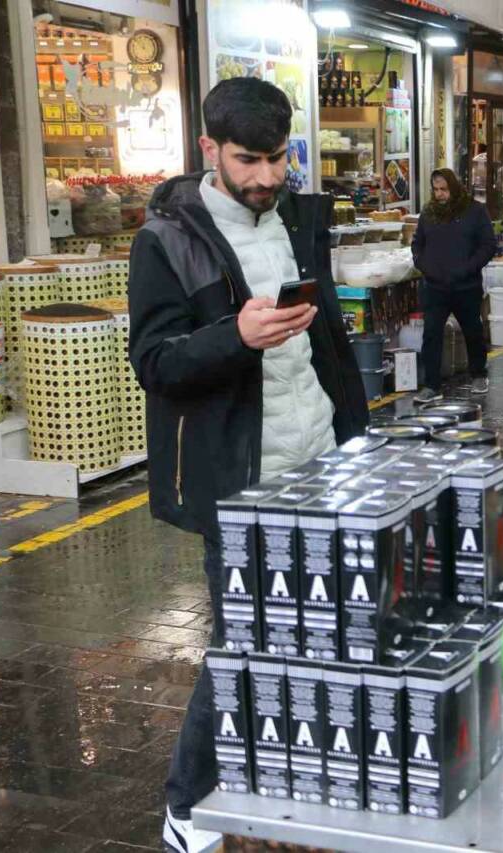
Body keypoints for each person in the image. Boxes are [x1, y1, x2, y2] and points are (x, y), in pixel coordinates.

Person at [128, 77, 369, 853]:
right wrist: (238, 333)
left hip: (322, 456)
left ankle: (298, 770)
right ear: (209, 150)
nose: (266, 176)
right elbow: (157, 362)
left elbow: (326, 340)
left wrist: (359, 433)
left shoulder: (299, 217)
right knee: (246, 641)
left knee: (326, 625)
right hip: (240, 479)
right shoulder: (166, 239)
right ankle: (188, 803)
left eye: (277, 158)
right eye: (248, 160)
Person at [411, 168, 496, 401]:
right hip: (435, 287)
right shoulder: (428, 213)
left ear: (454, 188)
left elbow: (488, 245)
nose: (439, 194)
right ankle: (432, 385)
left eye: (444, 189)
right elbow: (417, 244)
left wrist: (468, 268)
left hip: (465, 287)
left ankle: (478, 374)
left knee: (473, 331)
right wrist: (423, 264)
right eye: (436, 190)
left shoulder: (475, 211)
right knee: (431, 335)